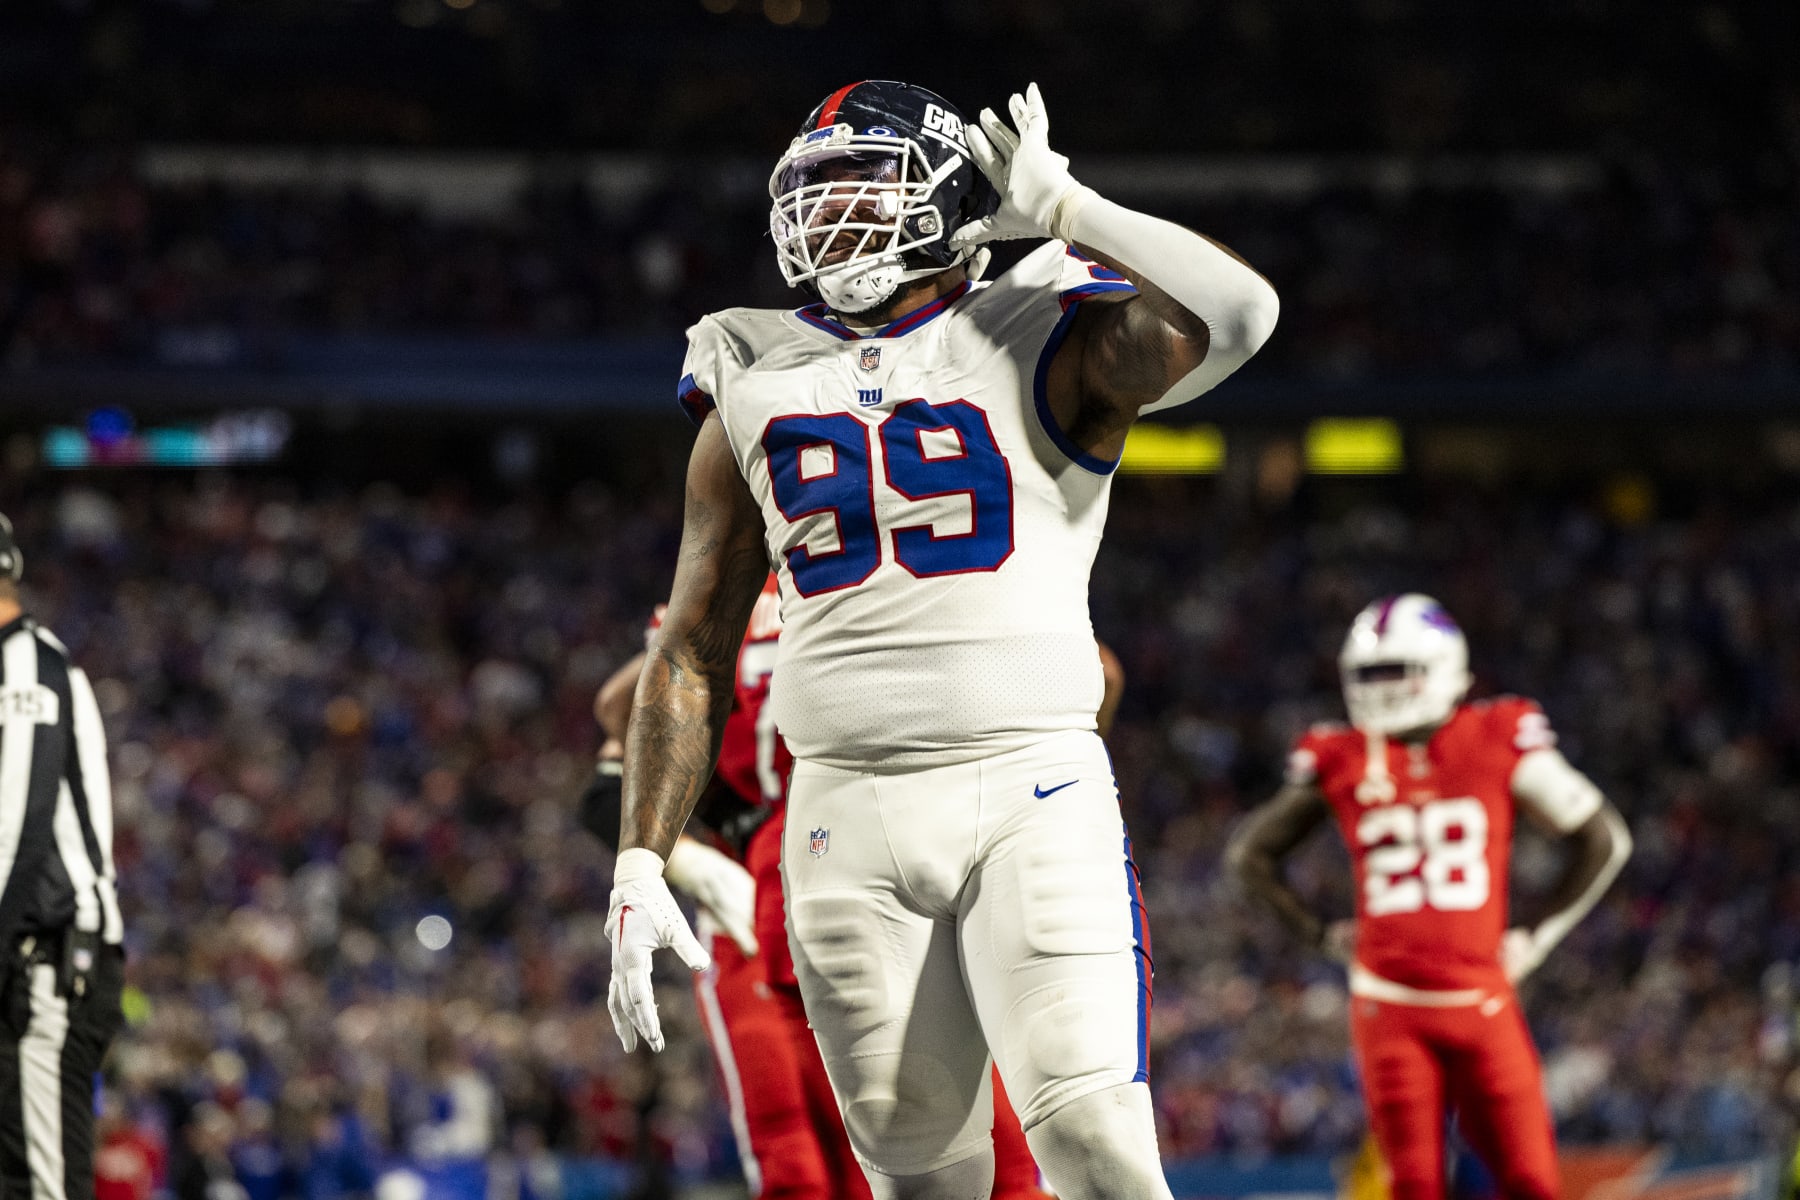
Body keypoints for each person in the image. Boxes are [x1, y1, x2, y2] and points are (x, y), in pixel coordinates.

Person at [604, 79, 1278, 1199]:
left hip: (1029, 783)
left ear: (952, 189)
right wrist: (638, 858)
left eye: (861, 177)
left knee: (1098, 1146)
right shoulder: (751, 370)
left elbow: (1241, 314)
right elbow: (689, 650)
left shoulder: (1041, 324)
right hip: (841, 810)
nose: (831, 210)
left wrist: (1069, 206)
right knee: (920, 1181)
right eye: (814, 188)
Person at [586, 582, 1127, 1198]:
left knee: (868, 1144)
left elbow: (622, 708)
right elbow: (609, 763)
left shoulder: (746, 591)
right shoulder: (888, 573)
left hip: (802, 855)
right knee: (934, 1139)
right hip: (853, 849)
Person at [1225, 593, 1634, 1200]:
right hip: (1390, 1005)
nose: (1381, 688)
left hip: (1479, 999)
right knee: (1413, 1185)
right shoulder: (1342, 754)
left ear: (1443, 667)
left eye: (1396, 671)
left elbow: (1604, 839)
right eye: (1369, 674)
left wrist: (1536, 936)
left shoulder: (1495, 735)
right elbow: (1249, 856)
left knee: (1531, 1181)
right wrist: (1320, 934)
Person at [0, 512, 128, 1200]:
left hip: (41, 962)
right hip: (25, 955)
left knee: (39, 1186)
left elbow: (14, 831)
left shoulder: (26, 665)